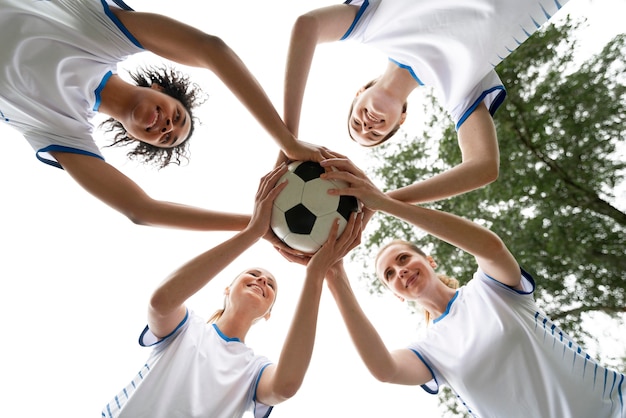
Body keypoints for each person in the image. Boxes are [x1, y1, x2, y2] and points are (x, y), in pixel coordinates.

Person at [317, 157, 625, 417]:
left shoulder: (490, 289)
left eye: (403, 258)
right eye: (390, 274)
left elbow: (491, 248)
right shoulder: (429, 349)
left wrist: (384, 203)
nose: (401, 270)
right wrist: (334, 274)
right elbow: (384, 369)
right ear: (396, 295)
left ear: (430, 260)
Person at [1, 0, 331, 231]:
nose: (167, 126)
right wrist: (286, 140)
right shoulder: (102, 33)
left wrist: (258, 223)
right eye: (177, 117)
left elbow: (140, 210)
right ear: (159, 89)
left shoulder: (63, 131)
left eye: (166, 138)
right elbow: (211, 48)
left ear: (135, 136)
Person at [101, 164, 363, 418]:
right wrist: (253, 232)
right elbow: (161, 302)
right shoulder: (186, 330)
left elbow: (285, 386)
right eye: (253, 274)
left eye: (271, 284)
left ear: (268, 314)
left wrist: (315, 275)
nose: (262, 281)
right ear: (226, 290)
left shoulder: (253, 369)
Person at [280, 0, 572, 204]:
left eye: (356, 121)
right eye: (374, 134)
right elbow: (484, 167)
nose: (367, 125)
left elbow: (306, 25)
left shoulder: (369, 25)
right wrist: (381, 200)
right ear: (401, 119)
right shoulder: (459, 89)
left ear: (360, 92)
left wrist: (288, 140)